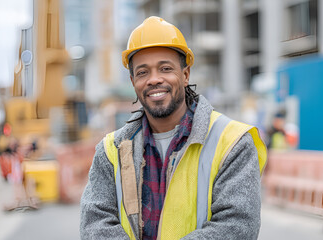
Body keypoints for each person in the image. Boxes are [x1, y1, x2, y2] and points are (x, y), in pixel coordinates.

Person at [80, 16, 267, 240]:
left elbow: (237, 227)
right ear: (132, 82)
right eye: (142, 72)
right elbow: (94, 224)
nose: (154, 79)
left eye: (165, 68)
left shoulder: (232, 142)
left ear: (185, 75)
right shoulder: (111, 150)